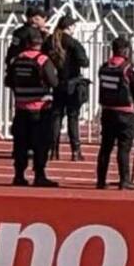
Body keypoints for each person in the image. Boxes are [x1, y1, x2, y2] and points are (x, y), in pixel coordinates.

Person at [5, 28, 59, 187]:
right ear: (40, 44)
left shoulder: (16, 60)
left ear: (26, 43)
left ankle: (19, 175)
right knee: (41, 143)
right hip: (40, 109)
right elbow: (54, 82)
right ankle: (40, 175)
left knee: (20, 143)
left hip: (21, 108)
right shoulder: (43, 60)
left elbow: (8, 81)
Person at [96, 35, 134, 190]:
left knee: (105, 147)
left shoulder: (104, 66)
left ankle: (101, 180)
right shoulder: (129, 68)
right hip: (125, 112)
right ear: (126, 50)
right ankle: (125, 180)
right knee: (124, 147)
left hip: (107, 111)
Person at [43, 15, 89, 162]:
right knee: (72, 117)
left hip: (56, 83)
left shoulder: (49, 41)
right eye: (73, 26)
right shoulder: (73, 43)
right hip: (72, 83)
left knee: (56, 116)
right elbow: (84, 62)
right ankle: (75, 151)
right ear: (69, 27)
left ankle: (53, 150)